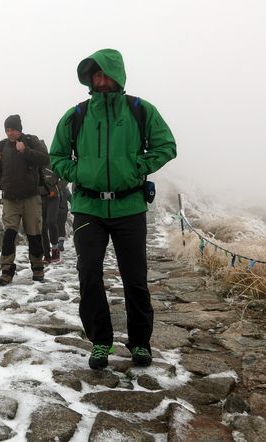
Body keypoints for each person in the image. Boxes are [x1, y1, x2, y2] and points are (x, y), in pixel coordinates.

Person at [49, 49, 176, 369]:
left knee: (135, 278)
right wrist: (77, 174)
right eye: (95, 75)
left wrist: (138, 167)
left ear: (117, 75)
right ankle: (101, 342)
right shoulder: (76, 115)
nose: (100, 80)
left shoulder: (139, 110)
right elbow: (57, 156)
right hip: (89, 206)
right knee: (89, 273)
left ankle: (140, 343)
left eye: (105, 74)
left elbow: (166, 146)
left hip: (129, 206)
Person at [0, 114, 48, 285]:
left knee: (34, 235)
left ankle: (38, 269)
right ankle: (7, 270)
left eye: (13, 129)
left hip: (31, 197)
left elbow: (45, 159)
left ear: (19, 129)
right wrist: (2, 185)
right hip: (10, 199)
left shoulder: (31, 141)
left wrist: (26, 151)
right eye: (7, 130)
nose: (10, 133)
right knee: (9, 235)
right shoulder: (1, 146)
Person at [39, 158, 61, 264]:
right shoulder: (34, 166)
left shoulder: (53, 164)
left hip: (53, 198)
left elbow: (65, 179)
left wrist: (55, 190)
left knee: (51, 221)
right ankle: (46, 255)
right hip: (40, 199)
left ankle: (55, 249)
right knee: (42, 227)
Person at [56, 179, 71, 252]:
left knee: (55, 225)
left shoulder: (54, 187)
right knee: (61, 226)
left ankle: (56, 243)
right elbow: (71, 199)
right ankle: (60, 242)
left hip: (55, 210)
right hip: (63, 210)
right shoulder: (65, 189)